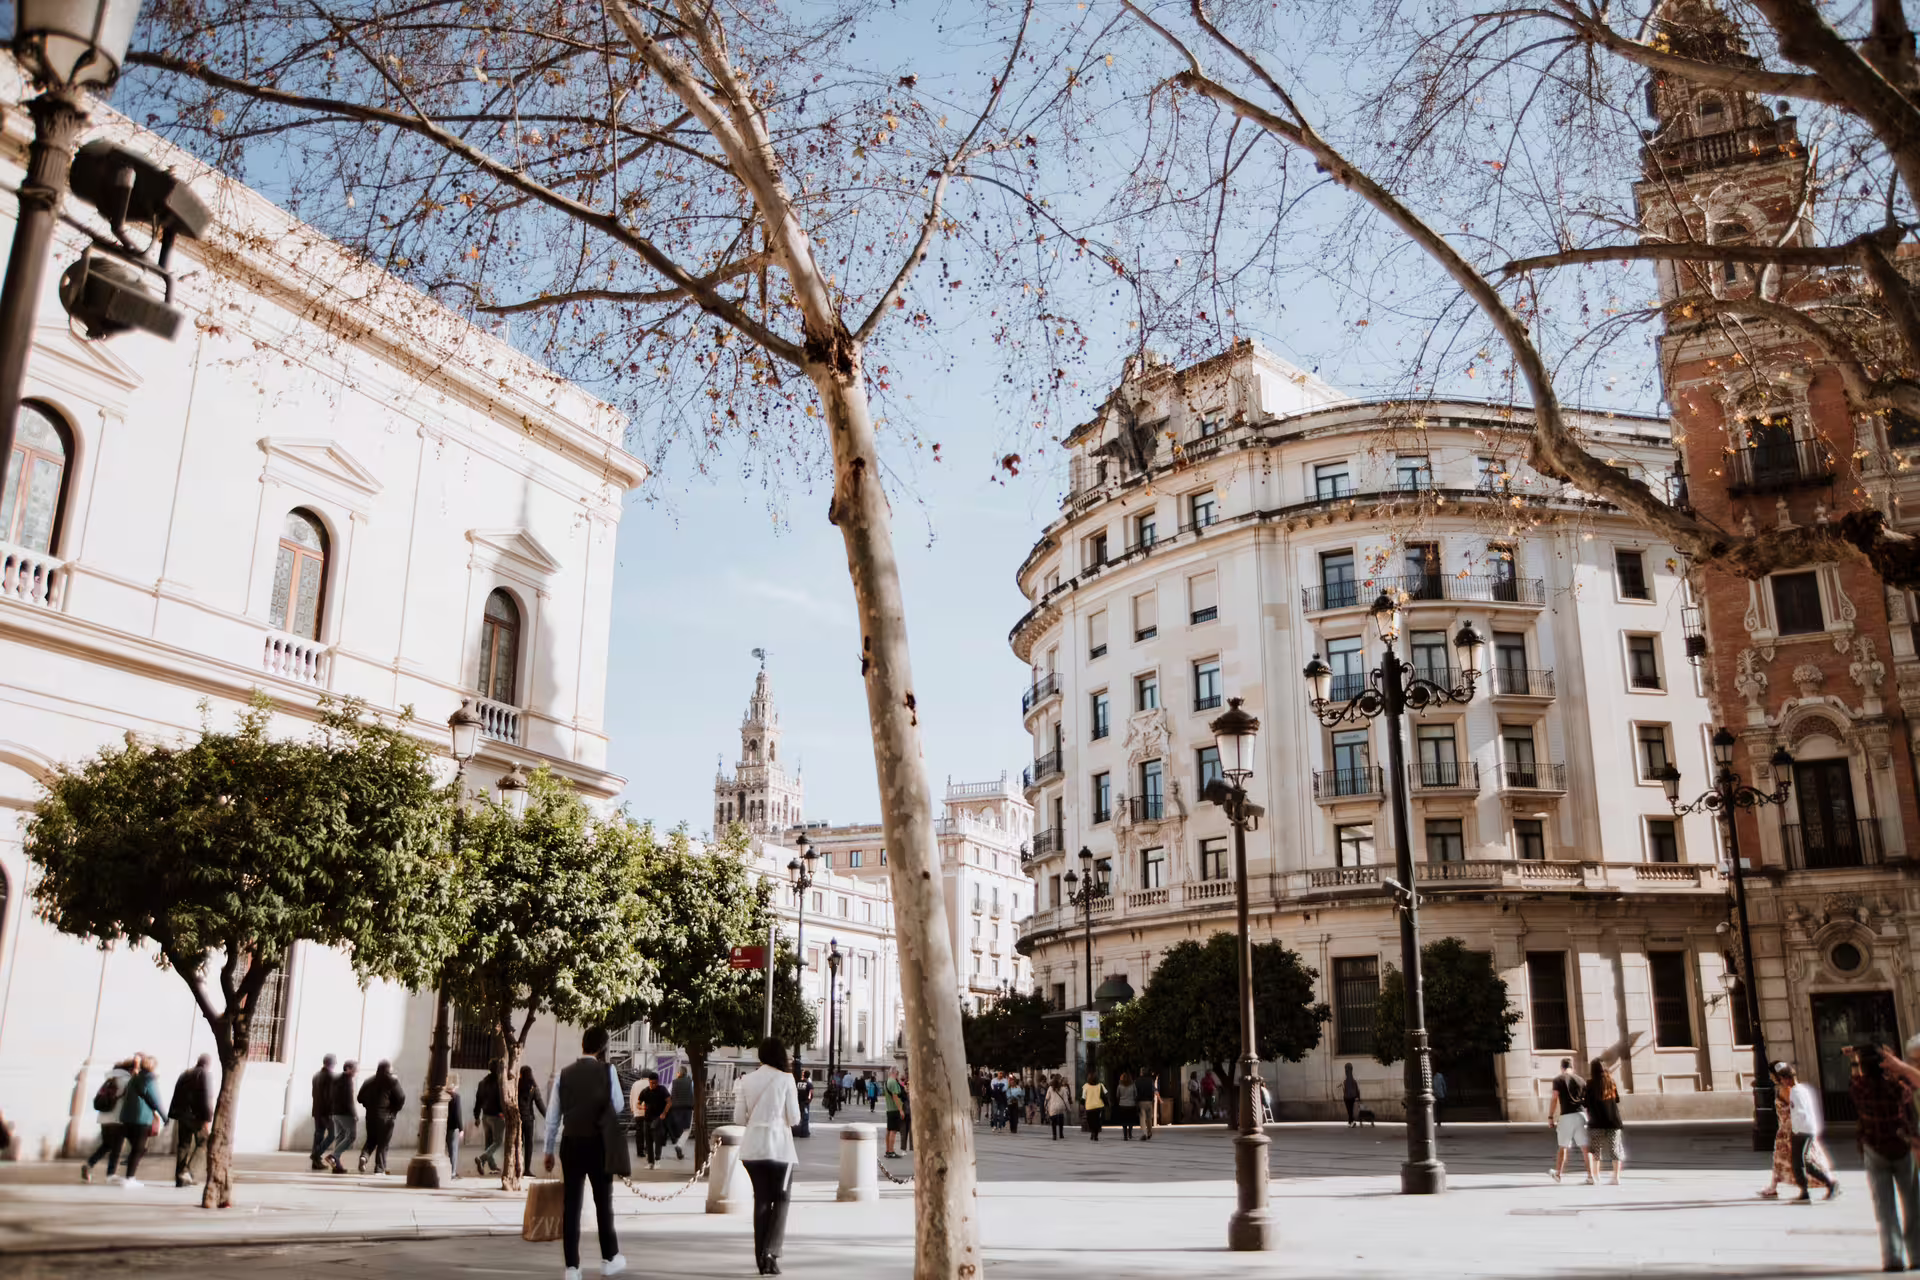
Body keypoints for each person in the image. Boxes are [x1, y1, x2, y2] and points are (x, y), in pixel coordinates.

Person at [542, 1027, 627, 1280]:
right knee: (603, 1203)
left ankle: (572, 1267)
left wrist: (548, 1150)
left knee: (572, 1205)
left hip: (571, 1143)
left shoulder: (563, 1074)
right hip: (599, 1144)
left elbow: (553, 1117)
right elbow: (619, 1105)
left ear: (582, 1044)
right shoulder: (608, 1071)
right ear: (603, 1048)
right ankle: (609, 1258)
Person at [735, 1038, 802, 1276]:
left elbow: (738, 1118)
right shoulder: (786, 1079)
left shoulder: (745, 1080)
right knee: (782, 1199)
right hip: (779, 1149)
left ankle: (760, 1258)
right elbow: (794, 1118)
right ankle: (770, 1253)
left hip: (752, 1149)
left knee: (762, 1201)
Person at [1779, 1062, 1838, 1202]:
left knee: (1798, 1162)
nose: (1782, 1082)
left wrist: (1795, 1130)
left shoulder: (1794, 1092)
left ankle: (1812, 1189)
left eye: (1782, 1079)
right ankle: (1820, 1186)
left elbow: (1799, 1112)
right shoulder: (1803, 1089)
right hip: (1809, 1128)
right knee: (1804, 1161)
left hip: (1801, 1130)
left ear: (1787, 1078)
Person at [117, 1054, 167, 1188]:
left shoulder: (135, 1078)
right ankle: (130, 1178)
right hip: (141, 1118)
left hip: (127, 1118)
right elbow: (155, 1100)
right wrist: (164, 1117)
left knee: (136, 1148)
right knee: (138, 1149)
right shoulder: (149, 1079)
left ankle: (128, 1177)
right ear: (153, 1066)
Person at [82, 1057, 135, 1182]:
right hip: (118, 1119)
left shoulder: (109, 1080)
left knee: (106, 1145)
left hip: (103, 1118)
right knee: (116, 1147)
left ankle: (89, 1164)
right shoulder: (128, 1081)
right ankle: (111, 1174)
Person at [1547, 1058, 1595, 1184]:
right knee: (1585, 1149)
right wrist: (1589, 1117)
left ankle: (1558, 1174)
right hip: (1580, 1115)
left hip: (1566, 1116)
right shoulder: (1580, 1080)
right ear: (1572, 1067)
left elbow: (1554, 1098)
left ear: (1562, 1067)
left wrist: (1550, 1116)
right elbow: (1587, 1100)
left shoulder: (1558, 1079)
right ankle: (1591, 1177)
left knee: (1563, 1147)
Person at [169, 1054, 213, 1187]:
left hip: (182, 1115)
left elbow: (176, 1094)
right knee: (204, 1143)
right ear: (207, 1064)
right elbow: (206, 1097)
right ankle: (188, 1172)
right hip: (196, 1116)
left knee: (183, 1145)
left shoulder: (185, 1074)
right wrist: (207, 1118)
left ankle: (180, 1178)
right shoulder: (205, 1075)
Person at [356, 1060, 406, 1175]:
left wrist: (368, 1105)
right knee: (383, 1143)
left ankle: (364, 1156)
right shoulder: (392, 1082)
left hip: (370, 1116)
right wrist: (394, 1110)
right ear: (389, 1069)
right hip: (386, 1117)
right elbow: (401, 1097)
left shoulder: (369, 1081)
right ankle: (379, 1168)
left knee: (371, 1139)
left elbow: (360, 1098)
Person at [1584, 1059, 1625, 1185]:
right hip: (1613, 1121)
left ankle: (1596, 1177)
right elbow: (1616, 1100)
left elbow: (1586, 1104)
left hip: (1596, 1122)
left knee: (1595, 1150)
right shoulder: (1611, 1082)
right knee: (1614, 1149)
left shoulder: (1590, 1084)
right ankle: (1616, 1178)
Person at [1760, 1062, 1797, 1199]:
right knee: (1779, 1159)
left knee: (1805, 1159)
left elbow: (1792, 1108)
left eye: (1771, 1074)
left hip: (1790, 1130)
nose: (1770, 1077)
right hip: (1785, 1129)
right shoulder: (1785, 1088)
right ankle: (1773, 1186)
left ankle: (1829, 1182)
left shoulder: (1786, 1089)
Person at [326, 1060, 359, 1173]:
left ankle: (337, 1166)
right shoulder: (347, 1080)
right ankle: (334, 1156)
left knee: (340, 1136)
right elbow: (348, 1099)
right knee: (352, 1136)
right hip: (345, 1113)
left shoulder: (336, 1078)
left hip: (335, 1112)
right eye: (355, 1069)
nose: (356, 1071)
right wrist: (354, 1114)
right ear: (348, 1068)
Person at [631, 1070, 669, 1170]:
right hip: (647, 1119)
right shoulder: (645, 1091)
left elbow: (669, 1102)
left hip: (658, 1118)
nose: (653, 1085)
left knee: (657, 1140)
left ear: (658, 1082)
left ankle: (657, 1160)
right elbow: (638, 1103)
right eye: (651, 1083)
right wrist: (641, 1107)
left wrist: (664, 1113)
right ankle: (650, 1162)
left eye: (655, 1083)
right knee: (648, 1141)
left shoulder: (662, 1090)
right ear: (649, 1082)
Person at [475, 1058, 507, 1176]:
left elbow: (478, 1100)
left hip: (485, 1116)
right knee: (498, 1141)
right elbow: (502, 1101)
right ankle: (482, 1158)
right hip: (497, 1116)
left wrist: (477, 1116)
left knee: (488, 1142)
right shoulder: (500, 1083)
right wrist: (504, 1113)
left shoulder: (482, 1082)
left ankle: (491, 1166)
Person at [310, 1053, 338, 1171]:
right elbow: (330, 1097)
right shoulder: (331, 1077)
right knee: (332, 1134)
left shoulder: (316, 1075)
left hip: (317, 1110)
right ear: (332, 1063)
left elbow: (313, 1094)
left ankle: (316, 1162)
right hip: (327, 1112)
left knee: (318, 1135)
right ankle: (316, 1155)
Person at [521, 1064, 549, 1171]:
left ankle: (516, 1167)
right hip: (528, 1120)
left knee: (517, 1145)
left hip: (518, 1119)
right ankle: (527, 1169)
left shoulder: (517, 1085)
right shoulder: (533, 1087)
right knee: (529, 1145)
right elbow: (540, 1104)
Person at [667, 1068, 695, 1159]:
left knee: (678, 1127)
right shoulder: (691, 1082)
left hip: (675, 1108)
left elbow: (668, 1094)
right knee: (687, 1129)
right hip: (688, 1108)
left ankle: (677, 1142)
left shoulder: (673, 1082)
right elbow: (694, 1094)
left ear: (679, 1073)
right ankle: (679, 1145)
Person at [882, 1067, 906, 1158]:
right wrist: (900, 1110)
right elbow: (895, 1096)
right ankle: (891, 1151)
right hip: (895, 1109)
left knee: (889, 1130)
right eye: (897, 1073)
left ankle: (888, 1150)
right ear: (895, 1072)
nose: (898, 1075)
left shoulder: (887, 1081)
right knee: (893, 1131)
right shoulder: (893, 1082)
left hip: (889, 1109)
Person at [445, 1074, 465, 1177]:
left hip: (444, 1126)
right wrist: (461, 1128)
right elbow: (458, 1113)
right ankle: (452, 1172)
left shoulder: (442, 1096)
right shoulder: (456, 1097)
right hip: (453, 1127)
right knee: (453, 1150)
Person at [1082, 1074, 1106, 1141]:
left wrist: (1082, 1105)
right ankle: (1095, 1134)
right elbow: (1105, 1094)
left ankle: (1093, 1132)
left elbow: (1083, 1097)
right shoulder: (1101, 1085)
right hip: (1098, 1106)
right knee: (1097, 1120)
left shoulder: (1085, 1086)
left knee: (1090, 1121)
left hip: (1089, 1107)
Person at [1116, 1072, 1138, 1141]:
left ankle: (1125, 1136)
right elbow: (1136, 1094)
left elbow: (1117, 1095)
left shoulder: (1120, 1086)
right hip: (1131, 1105)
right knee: (1130, 1120)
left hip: (1122, 1105)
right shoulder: (1133, 1085)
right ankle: (1130, 1134)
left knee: (1124, 1121)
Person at [1139, 1068, 1159, 1141]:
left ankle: (1144, 1133)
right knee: (1149, 1118)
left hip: (1141, 1102)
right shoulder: (1150, 1080)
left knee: (1142, 1118)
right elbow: (1155, 1090)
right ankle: (1149, 1132)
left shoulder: (1138, 1081)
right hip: (1149, 1101)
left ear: (1141, 1073)